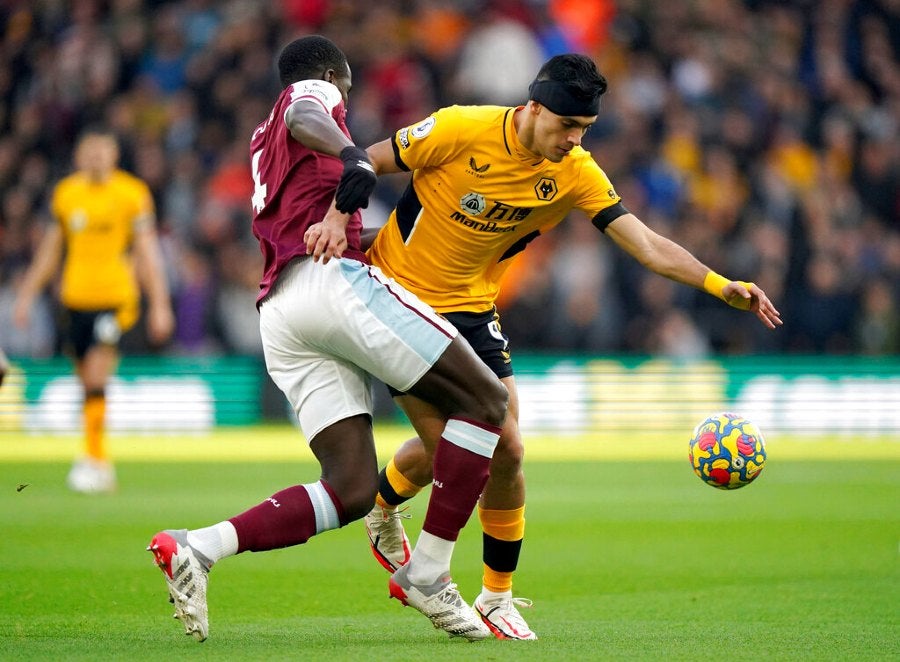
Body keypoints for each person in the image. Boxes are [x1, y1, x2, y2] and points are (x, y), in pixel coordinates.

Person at [353, 53, 782, 640]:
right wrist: (332, 219)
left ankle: (476, 582)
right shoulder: (459, 128)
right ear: (532, 109)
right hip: (401, 302)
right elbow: (365, 162)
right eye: (566, 127)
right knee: (487, 443)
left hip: (474, 310)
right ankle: (423, 559)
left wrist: (719, 284)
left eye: (584, 130)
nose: (573, 141)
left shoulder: (576, 171)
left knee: (503, 453)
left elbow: (648, 244)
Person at [146, 35, 508, 643]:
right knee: (489, 402)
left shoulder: (262, 138)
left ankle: (197, 547)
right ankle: (430, 572)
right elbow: (305, 109)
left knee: (351, 488)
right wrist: (354, 156)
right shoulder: (312, 93)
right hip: (329, 283)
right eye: (347, 86)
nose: (347, 97)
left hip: (282, 312)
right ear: (337, 74)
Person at [12, 127, 174, 493]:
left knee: (98, 375)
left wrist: (160, 305)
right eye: (90, 152)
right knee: (86, 379)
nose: (96, 158)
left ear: (114, 156)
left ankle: (95, 459)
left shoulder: (131, 194)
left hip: (115, 299)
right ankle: (96, 456)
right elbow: (52, 249)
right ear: (79, 157)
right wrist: (26, 295)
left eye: (103, 152)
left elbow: (148, 252)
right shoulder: (67, 195)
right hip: (74, 300)